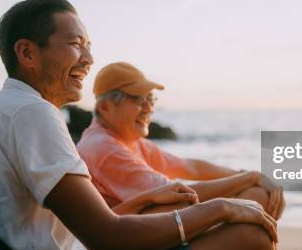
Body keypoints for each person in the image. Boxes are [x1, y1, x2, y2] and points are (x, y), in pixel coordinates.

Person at [0, 0, 277, 250]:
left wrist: (158, 200)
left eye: (89, 46)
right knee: (251, 240)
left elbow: (84, 230)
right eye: (76, 44)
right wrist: (221, 207)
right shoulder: (30, 114)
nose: (89, 58)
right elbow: (108, 242)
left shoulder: (5, 111)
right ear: (27, 53)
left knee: (199, 218)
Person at [76, 62, 285, 218]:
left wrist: (243, 175)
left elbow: (189, 167)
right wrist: (250, 178)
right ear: (105, 107)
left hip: (150, 236)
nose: (149, 107)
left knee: (255, 195)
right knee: (255, 196)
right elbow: (180, 195)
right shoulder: (104, 148)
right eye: (139, 99)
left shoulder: (127, 140)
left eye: (150, 99)